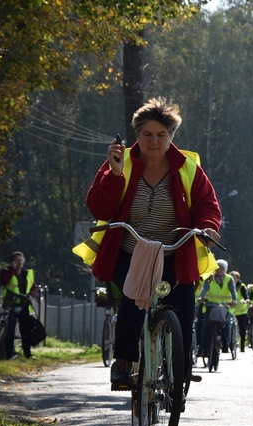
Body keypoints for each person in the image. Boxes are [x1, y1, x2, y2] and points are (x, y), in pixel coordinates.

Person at [83, 97, 222, 387]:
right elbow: (99, 208)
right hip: (129, 253)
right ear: (137, 135)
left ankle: (179, 373)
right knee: (135, 297)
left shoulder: (188, 168)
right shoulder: (120, 163)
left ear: (171, 136)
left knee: (183, 306)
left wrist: (208, 228)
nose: (154, 142)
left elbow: (207, 206)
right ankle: (123, 363)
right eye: (147, 135)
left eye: (161, 135)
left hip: (174, 253)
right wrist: (115, 174)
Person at [0, 251, 39, 359]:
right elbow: (4, 281)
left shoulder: (27, 274)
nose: (19, 262)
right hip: (11, 305)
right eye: (17, 260)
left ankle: (27, 353)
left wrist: (31, 294)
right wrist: (12, 270)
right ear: (12, 262)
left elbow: (33, 286)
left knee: (26, 330)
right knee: (10, 330)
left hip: (24, 305)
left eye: (21, 260)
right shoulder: (6, 272)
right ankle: (9, 353)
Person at [199, 259, 236, 353]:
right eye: (218, 268)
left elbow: (233, 291)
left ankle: (225, 345)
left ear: (225, 269)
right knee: (207, 326)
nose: (219, 270)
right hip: (211, 305)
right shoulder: (210, 277)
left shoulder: (229, 279)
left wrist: (234, 300)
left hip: (225, 306)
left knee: (226, 326)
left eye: (222, 268)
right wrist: (201, 297)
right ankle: (204, 348)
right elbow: (205, 289)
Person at [230, 271, 250, 352]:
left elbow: (245, 297)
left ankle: (242, 346)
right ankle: (229, 344)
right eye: (232, 278)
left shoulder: (242, 286)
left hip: (241, 310)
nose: (233, 280)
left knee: (242, 329)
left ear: (238, 279)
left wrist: (247, 301)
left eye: (235, 278)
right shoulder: (228, 285)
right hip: (231, 309)